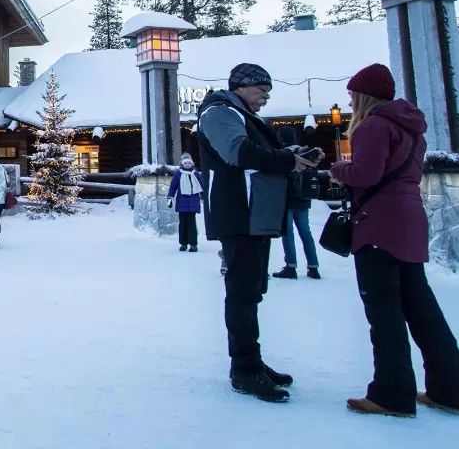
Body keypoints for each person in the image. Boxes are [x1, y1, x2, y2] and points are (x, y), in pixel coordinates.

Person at [329, 63, 459, 417]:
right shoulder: (413, 129)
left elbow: (366, 174)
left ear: (363, 97)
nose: (350, 102)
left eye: (352, 96)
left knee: (383, 310)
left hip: (378, 225)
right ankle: (449, 387)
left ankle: (391, 392)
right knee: (422, 310)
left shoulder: (373, 126)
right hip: (409, 220)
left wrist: (338, 169)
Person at [197, 63, 319, 403]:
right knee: (242, 292)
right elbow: (238, 153)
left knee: (251, 291)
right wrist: (287, 161)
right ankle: (244, 369)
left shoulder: (242, 115)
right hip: (239, 212)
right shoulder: (219, 112)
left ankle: (252, 360)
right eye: (261, 89)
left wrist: (292, 154)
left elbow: (256, 152)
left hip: (254, 213)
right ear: (241, 86)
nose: (266, 96)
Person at [272, 126, 321, 280]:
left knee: (288, 233)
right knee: (306, 232)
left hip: (287, 198)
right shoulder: (305, 152)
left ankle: (291, 266)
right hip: (303, 198)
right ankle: (313, 267)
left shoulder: (283, 154)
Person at [166, 153, 203, 252]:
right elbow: (173, 187)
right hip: (181, 202)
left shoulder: (196, 174)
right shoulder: (178, 174)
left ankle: (193, 244)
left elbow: (202, 186)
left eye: (189, 163)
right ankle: (183, 244)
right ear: (182, 164)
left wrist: (205, 196)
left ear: (192, 164)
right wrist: (170, 198)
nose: (187, 165)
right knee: (182, 223)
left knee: (191, 223)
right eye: (185, 163)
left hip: (193, 202)